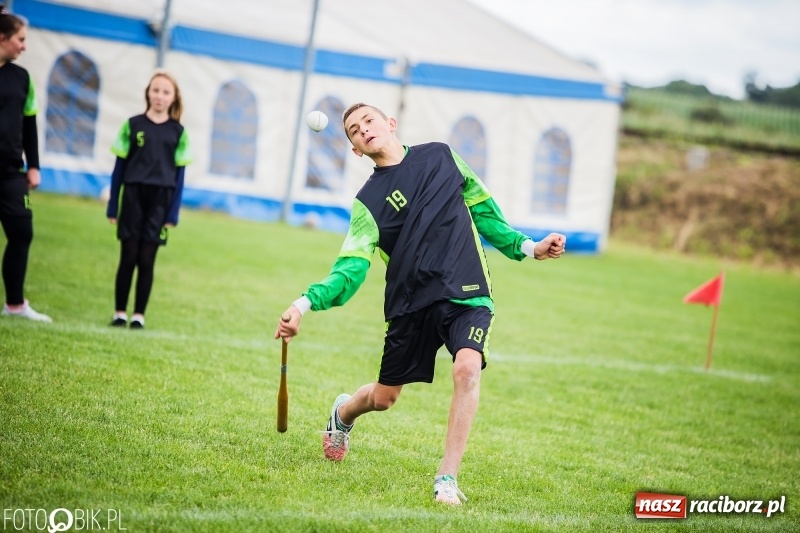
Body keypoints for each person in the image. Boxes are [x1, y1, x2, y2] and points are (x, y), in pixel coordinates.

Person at [274, 103, 566, 505]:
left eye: (369, 121)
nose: (364, 130)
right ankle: (344, 413)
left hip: (467, 290)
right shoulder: (367, 203)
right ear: (356, 150)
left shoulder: (441, 156)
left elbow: (484, 213)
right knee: (383, 398)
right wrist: (303, 304)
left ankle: (447, 478)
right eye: (355, 131)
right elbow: (350, 269)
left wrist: (530, 247)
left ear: (391, 123)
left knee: (467, 368)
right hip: (411, 303)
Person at [106, 71, 191, 330]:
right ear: (148, 93)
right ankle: (120, 312)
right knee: (128, 257)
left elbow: (180, 177)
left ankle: (138, 315)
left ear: (174, 97)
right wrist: (113, 204)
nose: (160, 96)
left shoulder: (178, 132)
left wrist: (172, 213)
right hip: (132, 196)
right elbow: (118, 169)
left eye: (166, 92)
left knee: (146, 260)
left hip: (160, 201)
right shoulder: (132, 125)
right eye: (155, 90)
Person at [0, 6, 51, 322]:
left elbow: (29, 124)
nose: (24, 45)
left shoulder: (22, 78)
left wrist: (34, 165)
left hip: (10, 173)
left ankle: (15, 305)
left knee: (22, 232)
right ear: (2, 39)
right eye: (20, 39)